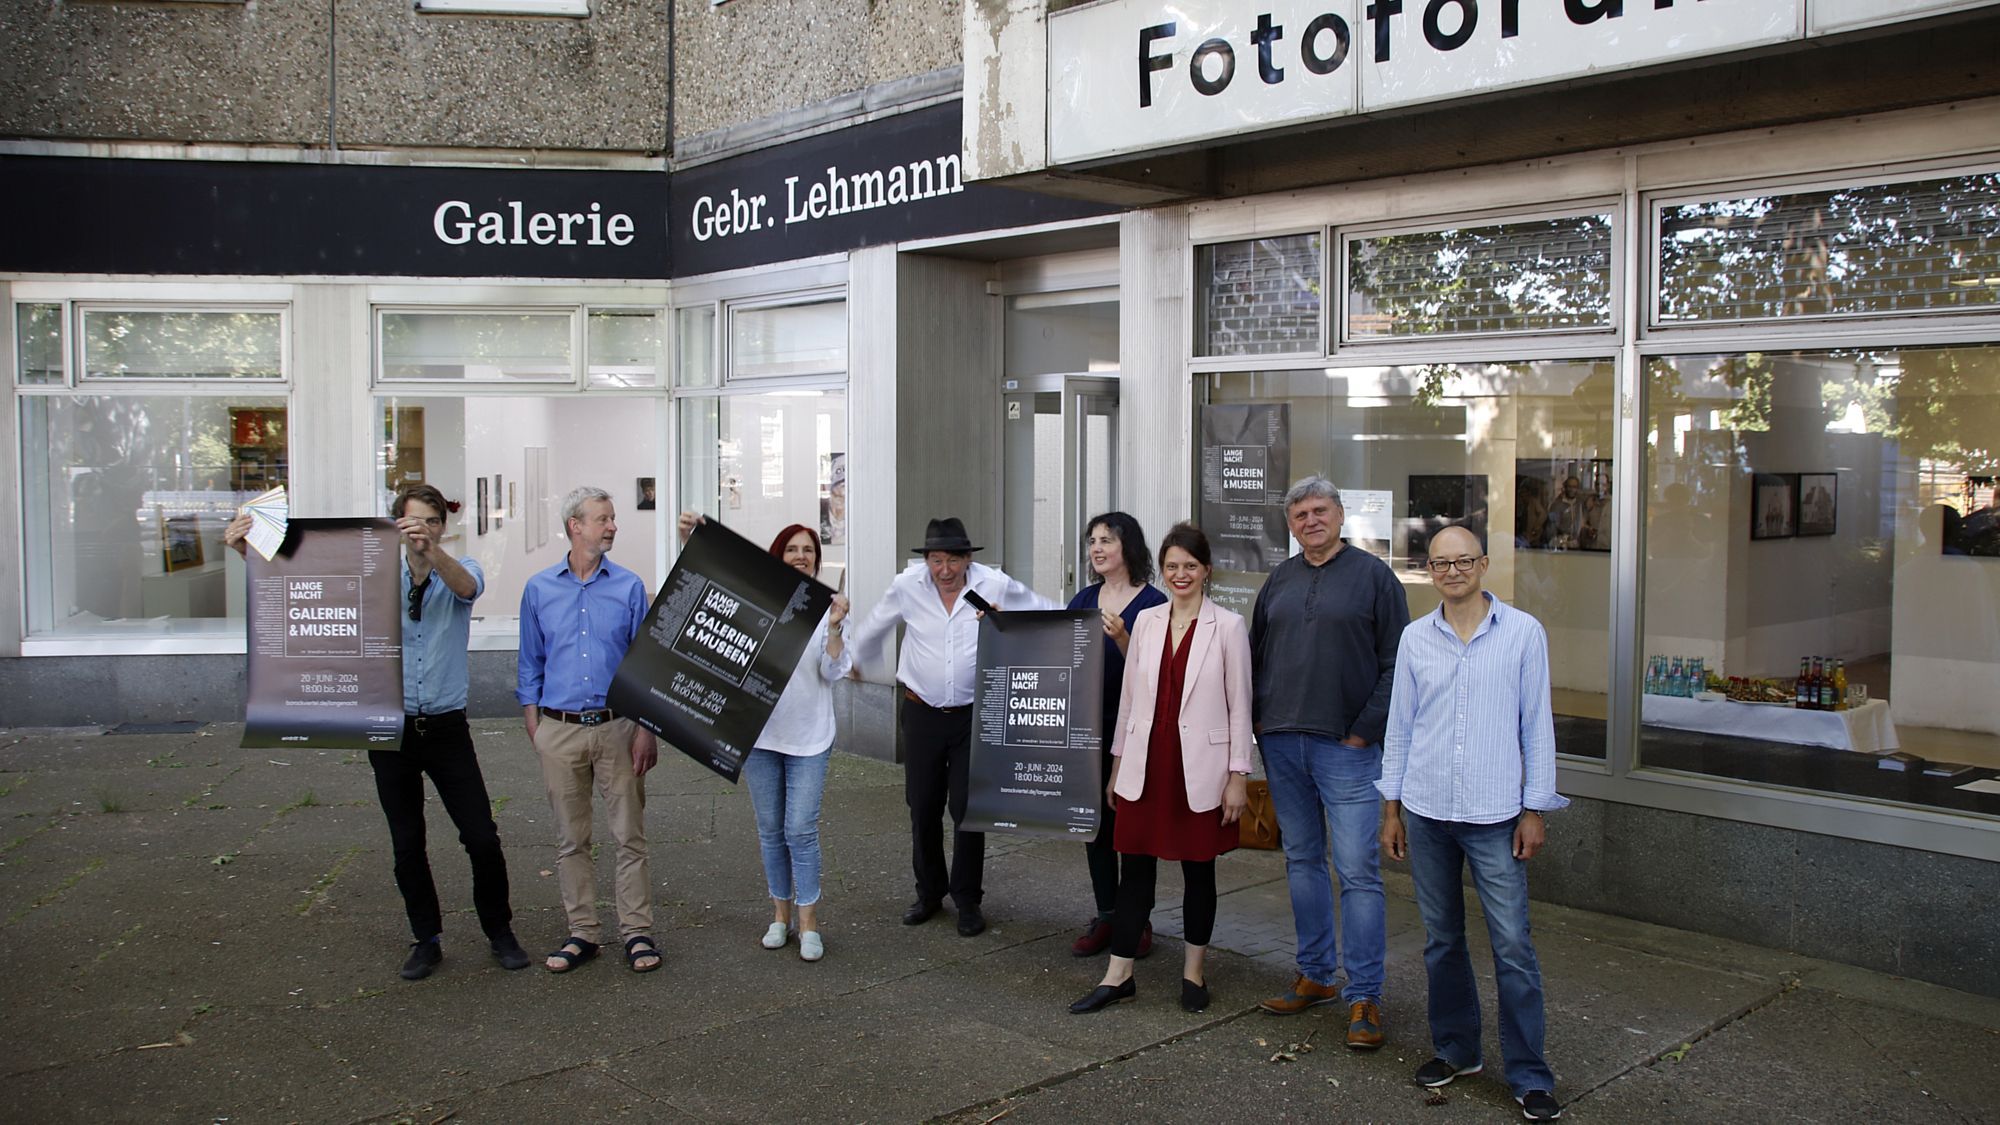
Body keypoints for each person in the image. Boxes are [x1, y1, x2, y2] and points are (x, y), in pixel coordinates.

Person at [224, 485, 529, 980]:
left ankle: (499, 931)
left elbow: (468, 590)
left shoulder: (461, 569)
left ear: (442, 526)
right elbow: (304, 583)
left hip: (448, 727)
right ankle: (426, 938)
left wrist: (434, 553)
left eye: (432, 521)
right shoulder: (373, 577)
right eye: (414, 523)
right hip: (390, 725)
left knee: (481, 836)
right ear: (394, 525)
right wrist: (246, 551)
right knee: (407, 841)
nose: (423, 530)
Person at [1379, 524, 1569, 1122]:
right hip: (1428, 811)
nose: (1453, 571)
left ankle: (1530, 1075)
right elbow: (1400, 728)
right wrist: (1392, 808)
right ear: (1428, 570)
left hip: (1495, 816)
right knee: (1442, 941)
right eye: (1441, 563)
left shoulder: (1522, 634)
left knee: (1513, 946)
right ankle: (1457, 1051)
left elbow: (1537, 726)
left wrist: (1534, 808)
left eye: (1464, 561)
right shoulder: (1415, 638)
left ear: (1483, 565)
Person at [1250, 475, 1409, 1049]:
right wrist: (1259, 722)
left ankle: (1364, 994)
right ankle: (1315, 975)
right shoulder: (1280, 580)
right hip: (1283, 743)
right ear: (1290, 525)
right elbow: (1257, 655)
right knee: (1301, 862)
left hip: (1346, 748)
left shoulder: (1375, 578)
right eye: (1300, 515)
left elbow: (1398, 662)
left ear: (1340, 516)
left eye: (1320, 511)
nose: (1310, 521)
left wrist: (1366, 730)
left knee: (1359, 872)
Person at [1069, 524, 1252, 1016]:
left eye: (1190, 566)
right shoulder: (1146, 622)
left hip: (1200, 769)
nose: (1180, 574)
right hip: (1145, 767)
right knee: (1135, 874)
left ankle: (1194, 974)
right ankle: (1118, 974)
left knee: (1199, 872)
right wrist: (1115, 768)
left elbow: (1240, 708)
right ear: (1164, 570)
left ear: (1206, 570)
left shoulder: (1229, 626)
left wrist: (1239, 775)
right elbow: (1129, 702)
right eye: (1172, 566)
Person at [846, 516, 1058, 937]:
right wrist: (857, 659)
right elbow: (876, 624)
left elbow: (1042, 611)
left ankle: (967, 900)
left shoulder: (992, 585)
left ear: (967, 560)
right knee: (922, 806)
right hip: (921, 712)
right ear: (926, 560)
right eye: (935, 560)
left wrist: (1088, 625)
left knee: (967, 810)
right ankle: (929, 893)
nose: (944, 571)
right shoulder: (907, 586)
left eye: (952, 561)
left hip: (971, 715)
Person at [678, 513, 851, 962]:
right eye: (792, 549)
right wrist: (691, 541)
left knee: (800, 829)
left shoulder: (823, 608)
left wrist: (834, 627)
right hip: (759, 737)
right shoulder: (757, 600)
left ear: (817, 561)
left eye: (808, 551)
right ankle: (780, 918)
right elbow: (707, 596)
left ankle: (809, 924)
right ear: (778, 555)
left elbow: (834, 671)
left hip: (809, 739)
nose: (800, 557)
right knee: (772, 831)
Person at [518, 486, 661, 975]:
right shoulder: (539, 589)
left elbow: (645, 667)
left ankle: (637, 932)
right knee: (571, 839)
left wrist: (646, 729)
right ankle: (582, 933)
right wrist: (534, 724)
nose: (612, 526)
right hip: (558, 730)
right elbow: (529, 662)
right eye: (603, 518)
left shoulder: (628, 588)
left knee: (629, 836)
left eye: (614, 518)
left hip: (618, 726)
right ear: (575, 526)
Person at [1066, 512, 1168, 959]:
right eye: (1092, 541)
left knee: (1134, 828)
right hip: (1087, 730)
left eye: (1106, 539)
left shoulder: (1154, 603)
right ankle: (1107, 914)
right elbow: (1062, 659)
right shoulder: (1083, 599)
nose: (1097, 548)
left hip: (1135, 731)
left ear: (1128, 545)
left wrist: (1125, 639)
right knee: (1096, 829)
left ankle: (1137, 919)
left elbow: (1158, 677)